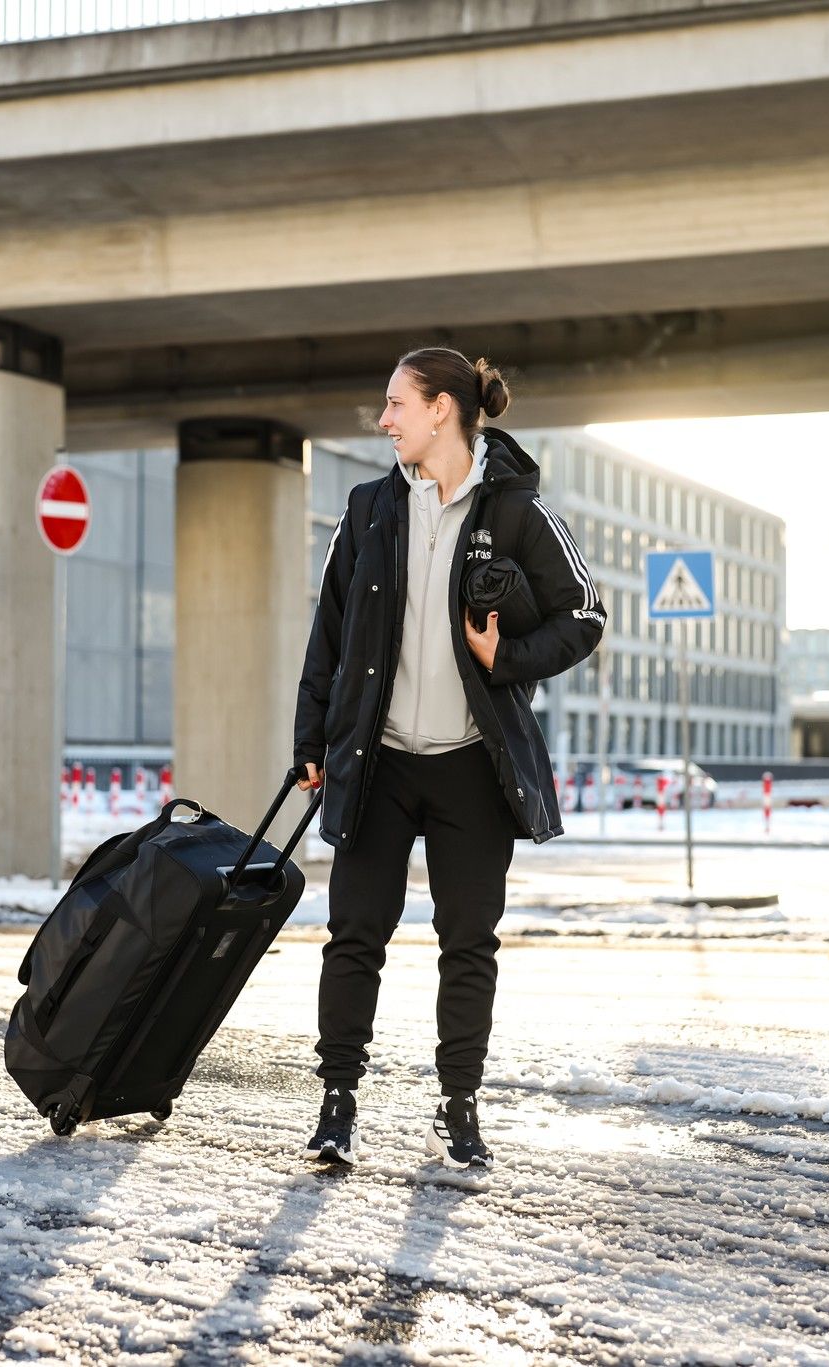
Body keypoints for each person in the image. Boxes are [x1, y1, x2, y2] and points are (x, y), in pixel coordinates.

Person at [293, 348, 605, 1169]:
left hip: (473, 764)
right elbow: (327, 638)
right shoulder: (366, 512)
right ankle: (338, 1101)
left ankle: (459, 1105)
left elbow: (587, 615)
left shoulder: (517, 513)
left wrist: (507, 659)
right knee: (354, 935)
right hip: (381, 761)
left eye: (396, 403)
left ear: (443, 411)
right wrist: (311, 744)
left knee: (469, 940)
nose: (385, 418)